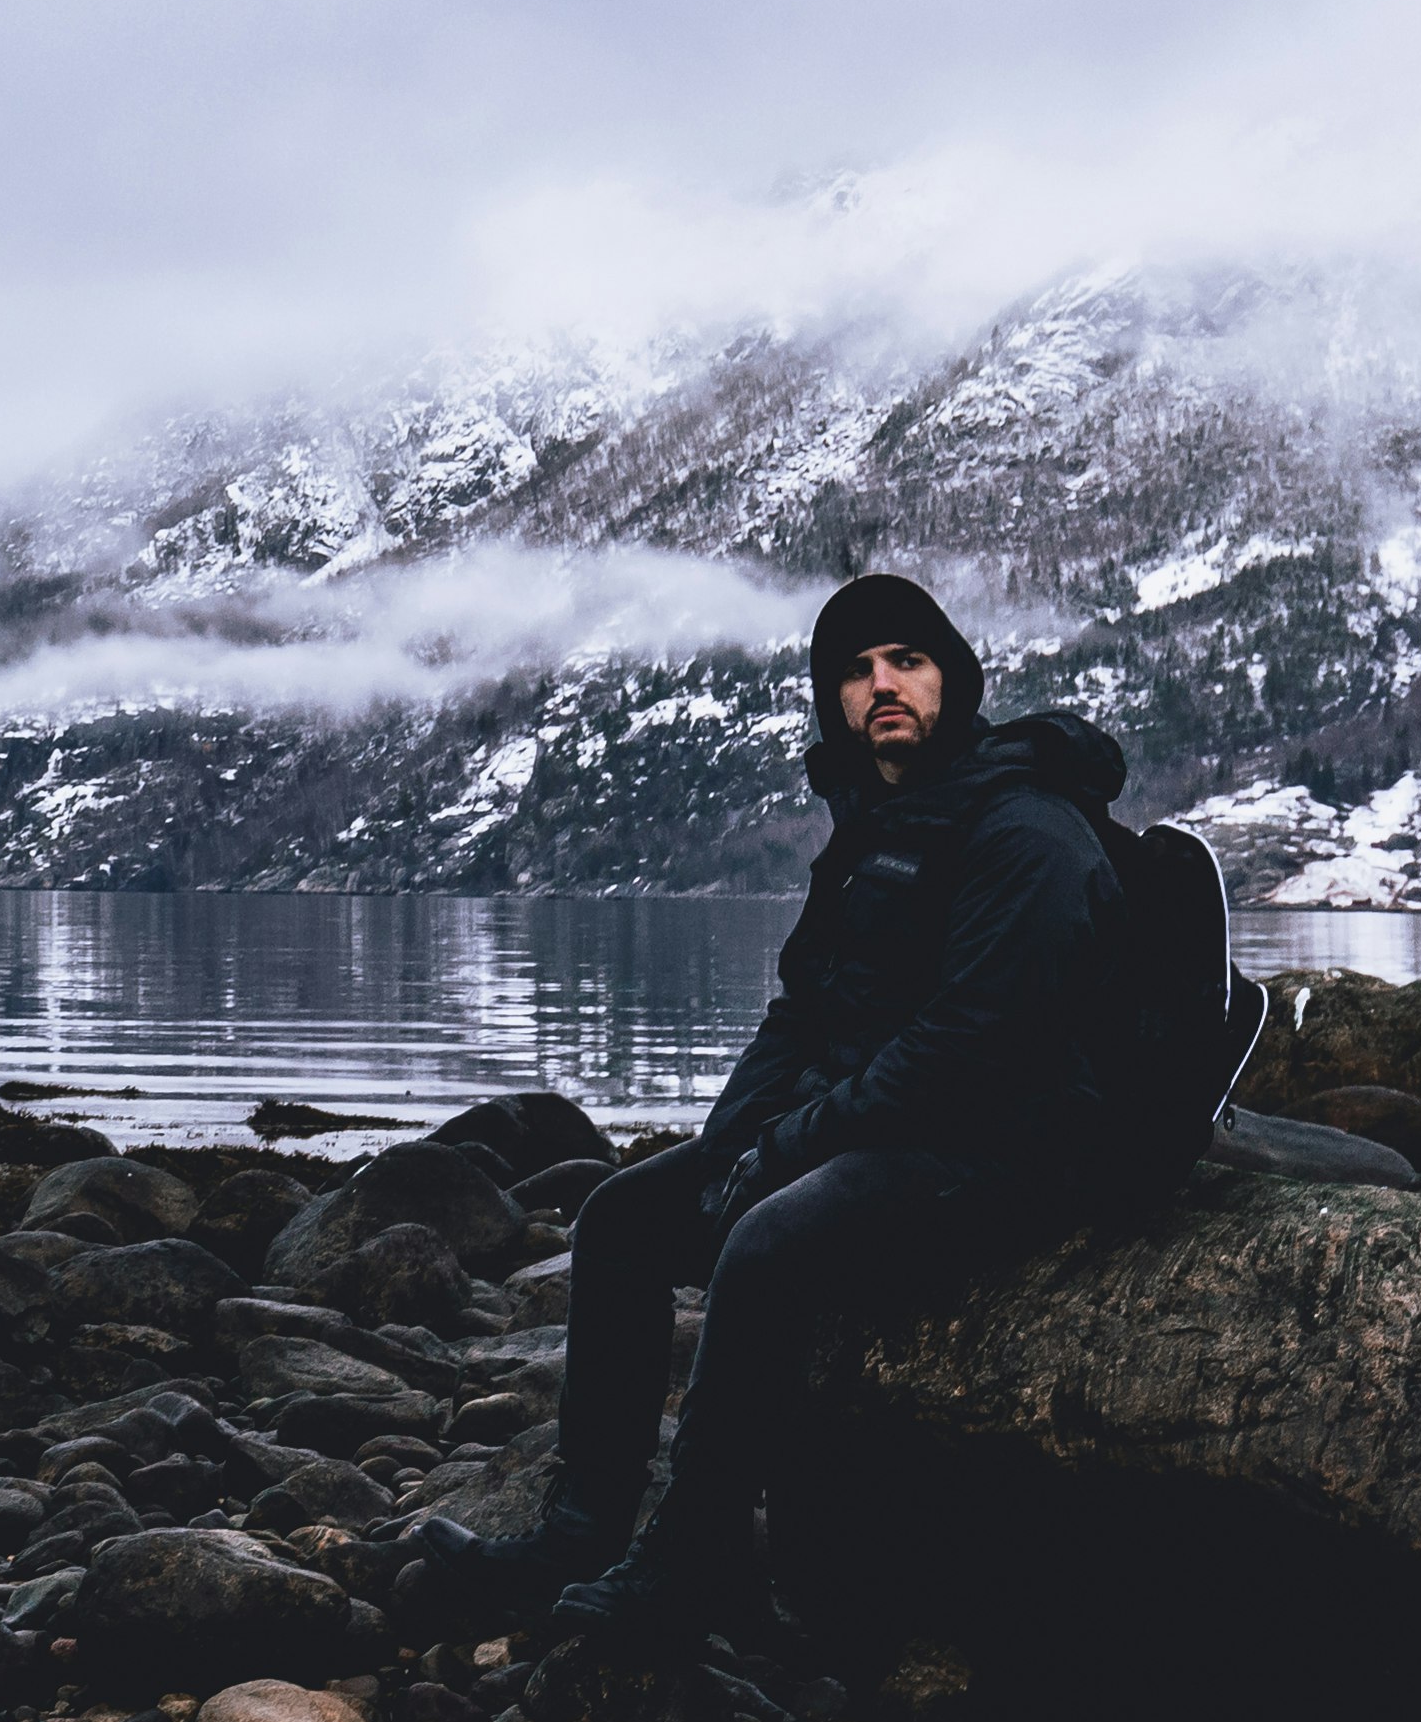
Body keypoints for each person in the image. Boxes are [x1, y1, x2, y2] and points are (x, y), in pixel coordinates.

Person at [405, 571, 1134, 1651]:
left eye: (905, 660)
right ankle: (583, 1524)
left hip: (1008, 1140)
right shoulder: (875, 824)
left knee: (765, 1243)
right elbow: (802, 1011)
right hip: (894, 1121)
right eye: (853, 669)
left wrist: (786, 1150)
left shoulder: (1025, 827)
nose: (880, 684)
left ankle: (693, 1553)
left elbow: (966, 1047)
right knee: (620, 1216)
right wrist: (735, 1139)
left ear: (953, 679)